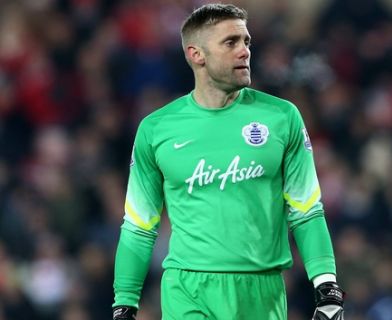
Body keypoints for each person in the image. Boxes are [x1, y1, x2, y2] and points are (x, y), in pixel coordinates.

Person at [112, 3, 345, 320]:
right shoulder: (156, 129)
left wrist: (326, 286)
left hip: (263, 291)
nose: (244, 51)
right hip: (188, 288)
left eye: (246, 41)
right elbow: (140, 225)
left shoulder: (281, 117)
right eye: (231, 42)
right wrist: (125, 304)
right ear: (197, 54)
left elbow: (306, 210)